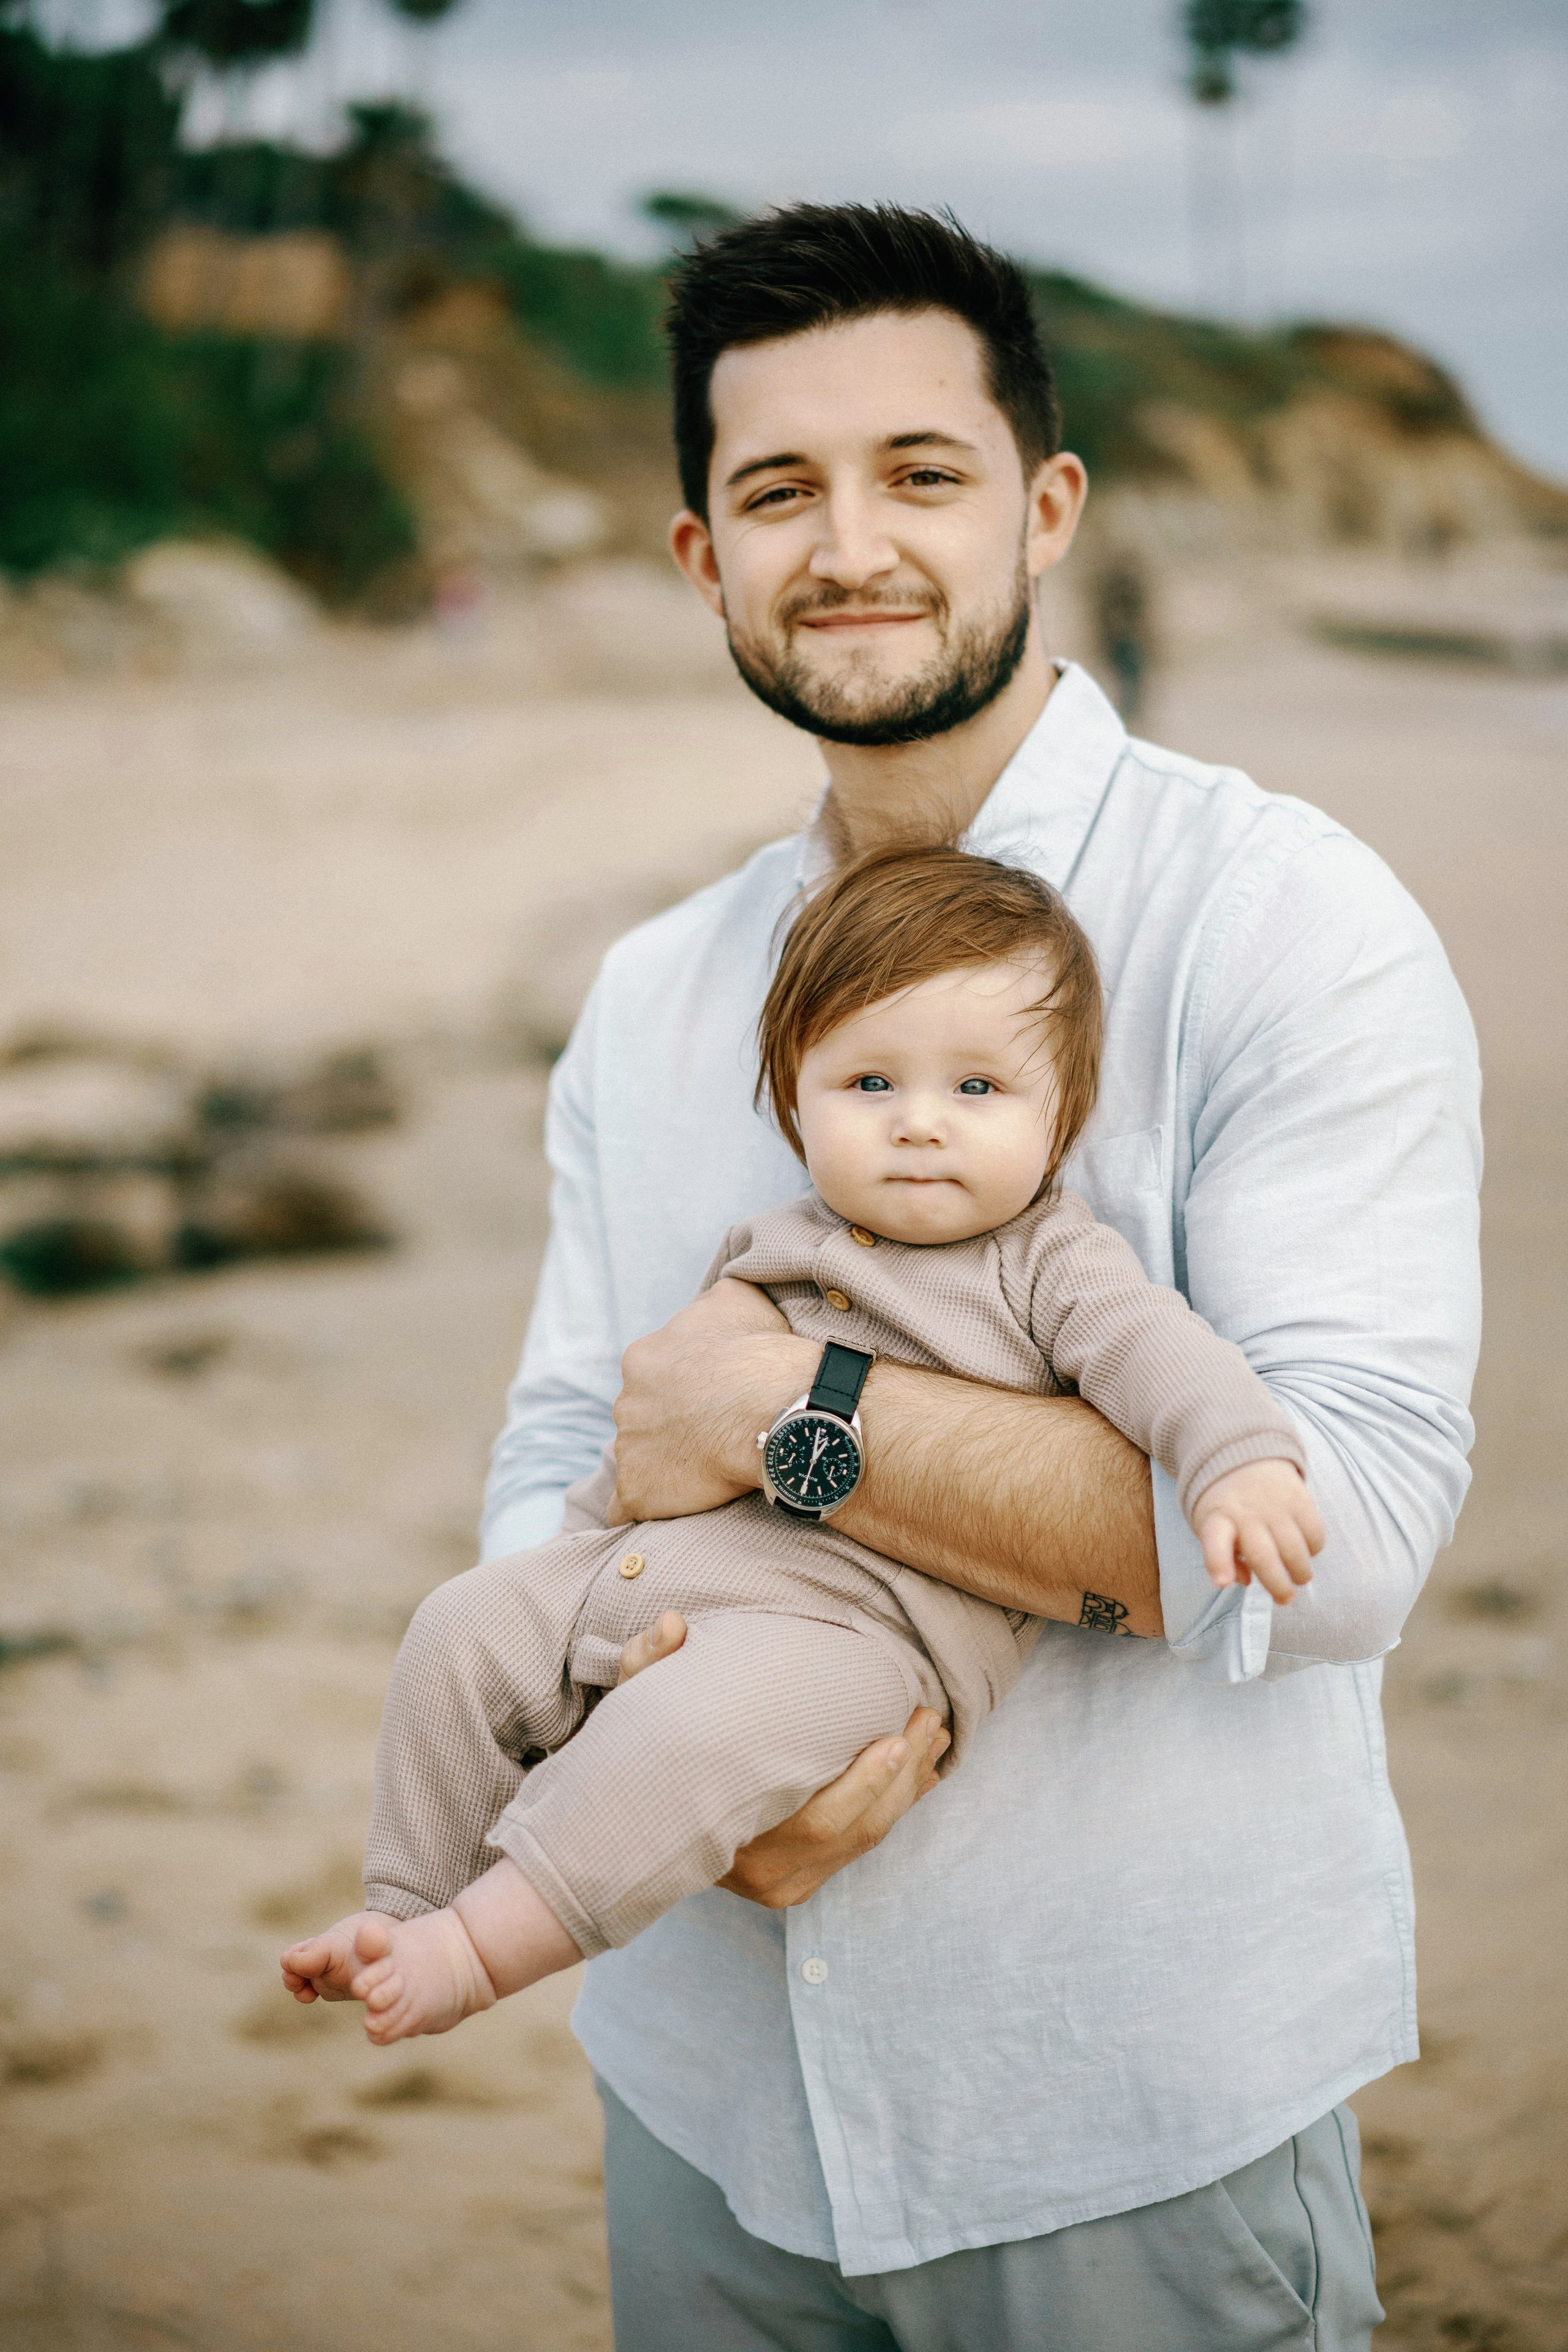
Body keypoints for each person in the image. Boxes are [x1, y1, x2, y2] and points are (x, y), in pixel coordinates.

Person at [410, 206, 1486, 2346]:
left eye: (922, 472)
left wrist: (785, 1428)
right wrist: (669, 1746)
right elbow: (559, 1443)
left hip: (1116, 2115)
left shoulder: (1282, 920)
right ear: (705, 558)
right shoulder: (651, 991)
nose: (853, 545)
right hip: (701, 2099)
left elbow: (1340, 1547)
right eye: (778, 491)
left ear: (1045, 507)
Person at [280, 846, 1324, 2043]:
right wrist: (570, 1573)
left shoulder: (1051, 1263)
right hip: (668, 1575)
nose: (920, 1125)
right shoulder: (769, 1243)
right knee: (459, 1629)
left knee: (679, 1739)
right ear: (795, 1099)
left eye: (977, 1089)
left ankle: (469, 1955)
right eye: (869, 1083)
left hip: (857, 1637)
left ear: (1062, 1112)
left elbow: (1165, 1358)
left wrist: (1241, 1461)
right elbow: (651, 1430)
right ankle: (406, 1905)